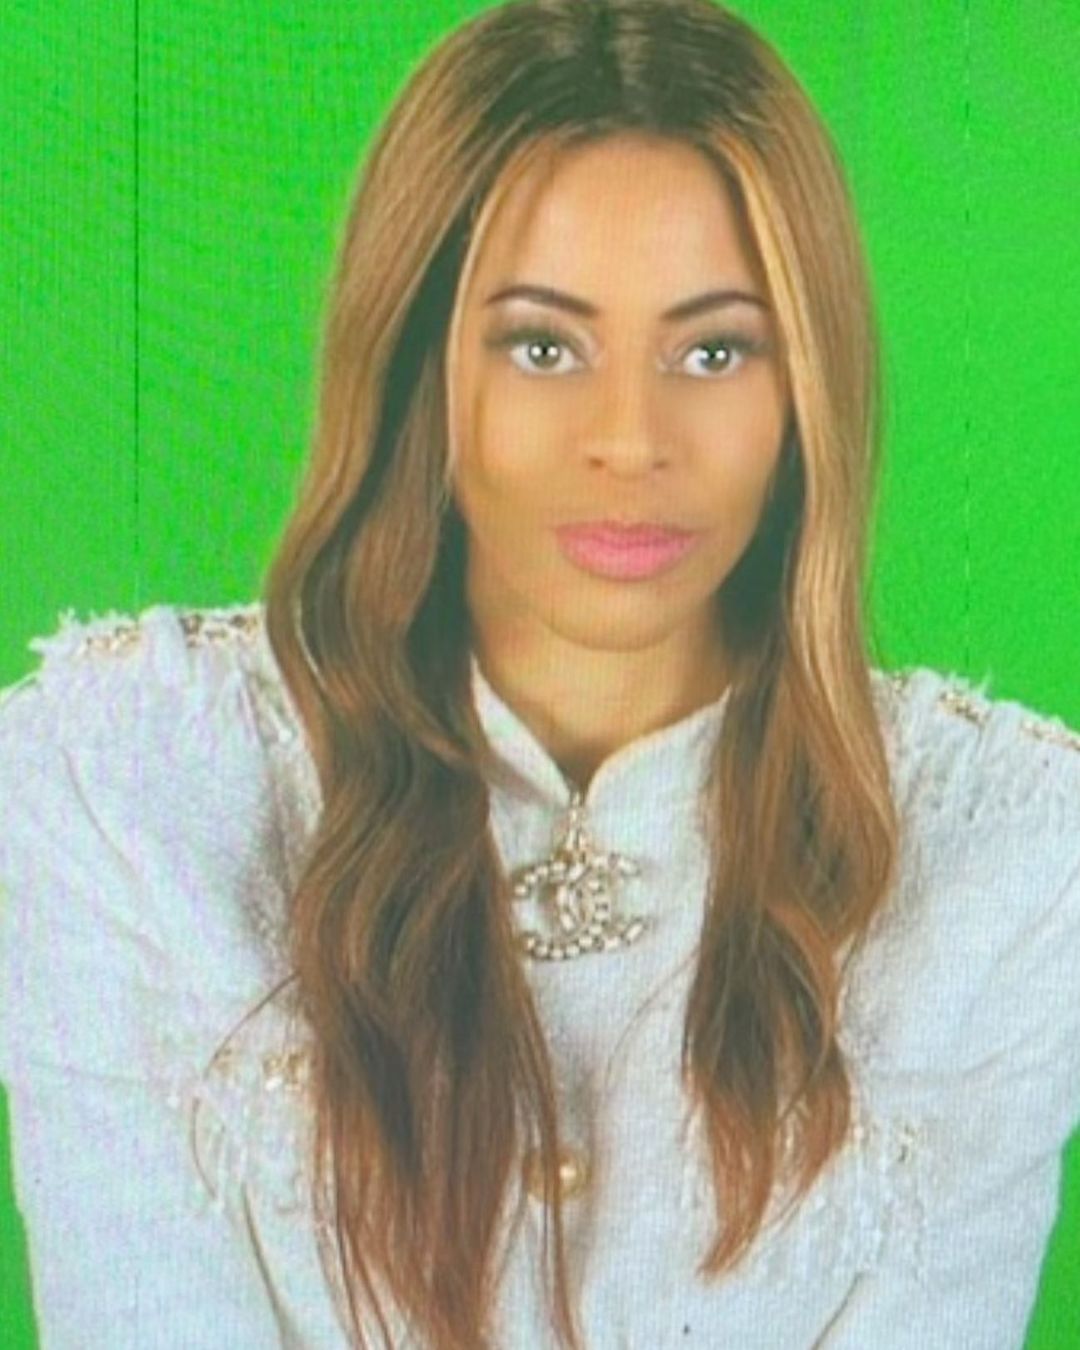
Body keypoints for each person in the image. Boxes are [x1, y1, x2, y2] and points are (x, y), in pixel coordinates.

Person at [1, 1, 1078, 1346]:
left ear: (807, 391)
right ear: (418, 362)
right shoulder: (123, 778)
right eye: (543, 345)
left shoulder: (1011, 856)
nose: (631, 440)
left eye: (714, 349)